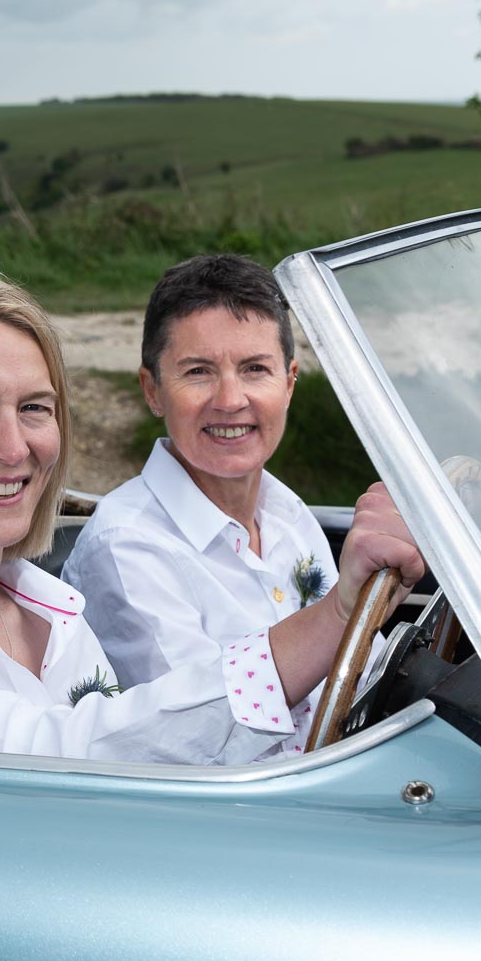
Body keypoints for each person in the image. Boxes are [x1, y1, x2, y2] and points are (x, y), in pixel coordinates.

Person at [0, 265, 422, 764]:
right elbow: (51, 763)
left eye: (35, 409)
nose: (14, 448)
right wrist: (336, 616)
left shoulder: (54, 615)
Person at [62, 253, 371, 755]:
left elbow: (362, 678)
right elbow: (204, 745)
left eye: (255, 369)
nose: (230, 400)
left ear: (289, 384)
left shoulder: (289, 514)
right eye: (199, 372)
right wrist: (341, 613)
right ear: (152, 390)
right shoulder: (126, 549)